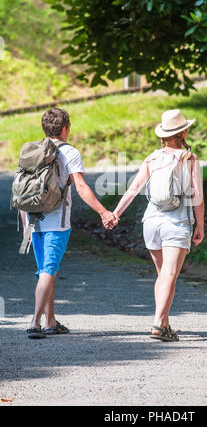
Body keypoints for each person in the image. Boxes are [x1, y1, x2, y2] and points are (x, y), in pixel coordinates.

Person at [104, 109, 204, 341]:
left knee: (162, 275)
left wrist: (116, 213)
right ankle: (158, 323)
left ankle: (165, 324)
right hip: (176, 222)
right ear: (184, 132)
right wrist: (201, 225)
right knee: (169, 274)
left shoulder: (152, 158)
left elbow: (133, 188)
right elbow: (197, 195)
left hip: (151, 222)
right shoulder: (189, 158)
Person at [21, 107, 117, 339]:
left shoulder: (30, 150)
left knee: (46, 270)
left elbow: (22, 189)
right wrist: (104, 212)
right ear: (64, 129)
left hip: (33, 221)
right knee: (48, 270)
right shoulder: (69, 152)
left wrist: (25, 224)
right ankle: (35, 322)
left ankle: (51, 321)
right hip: (56, 222)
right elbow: (81, 187)